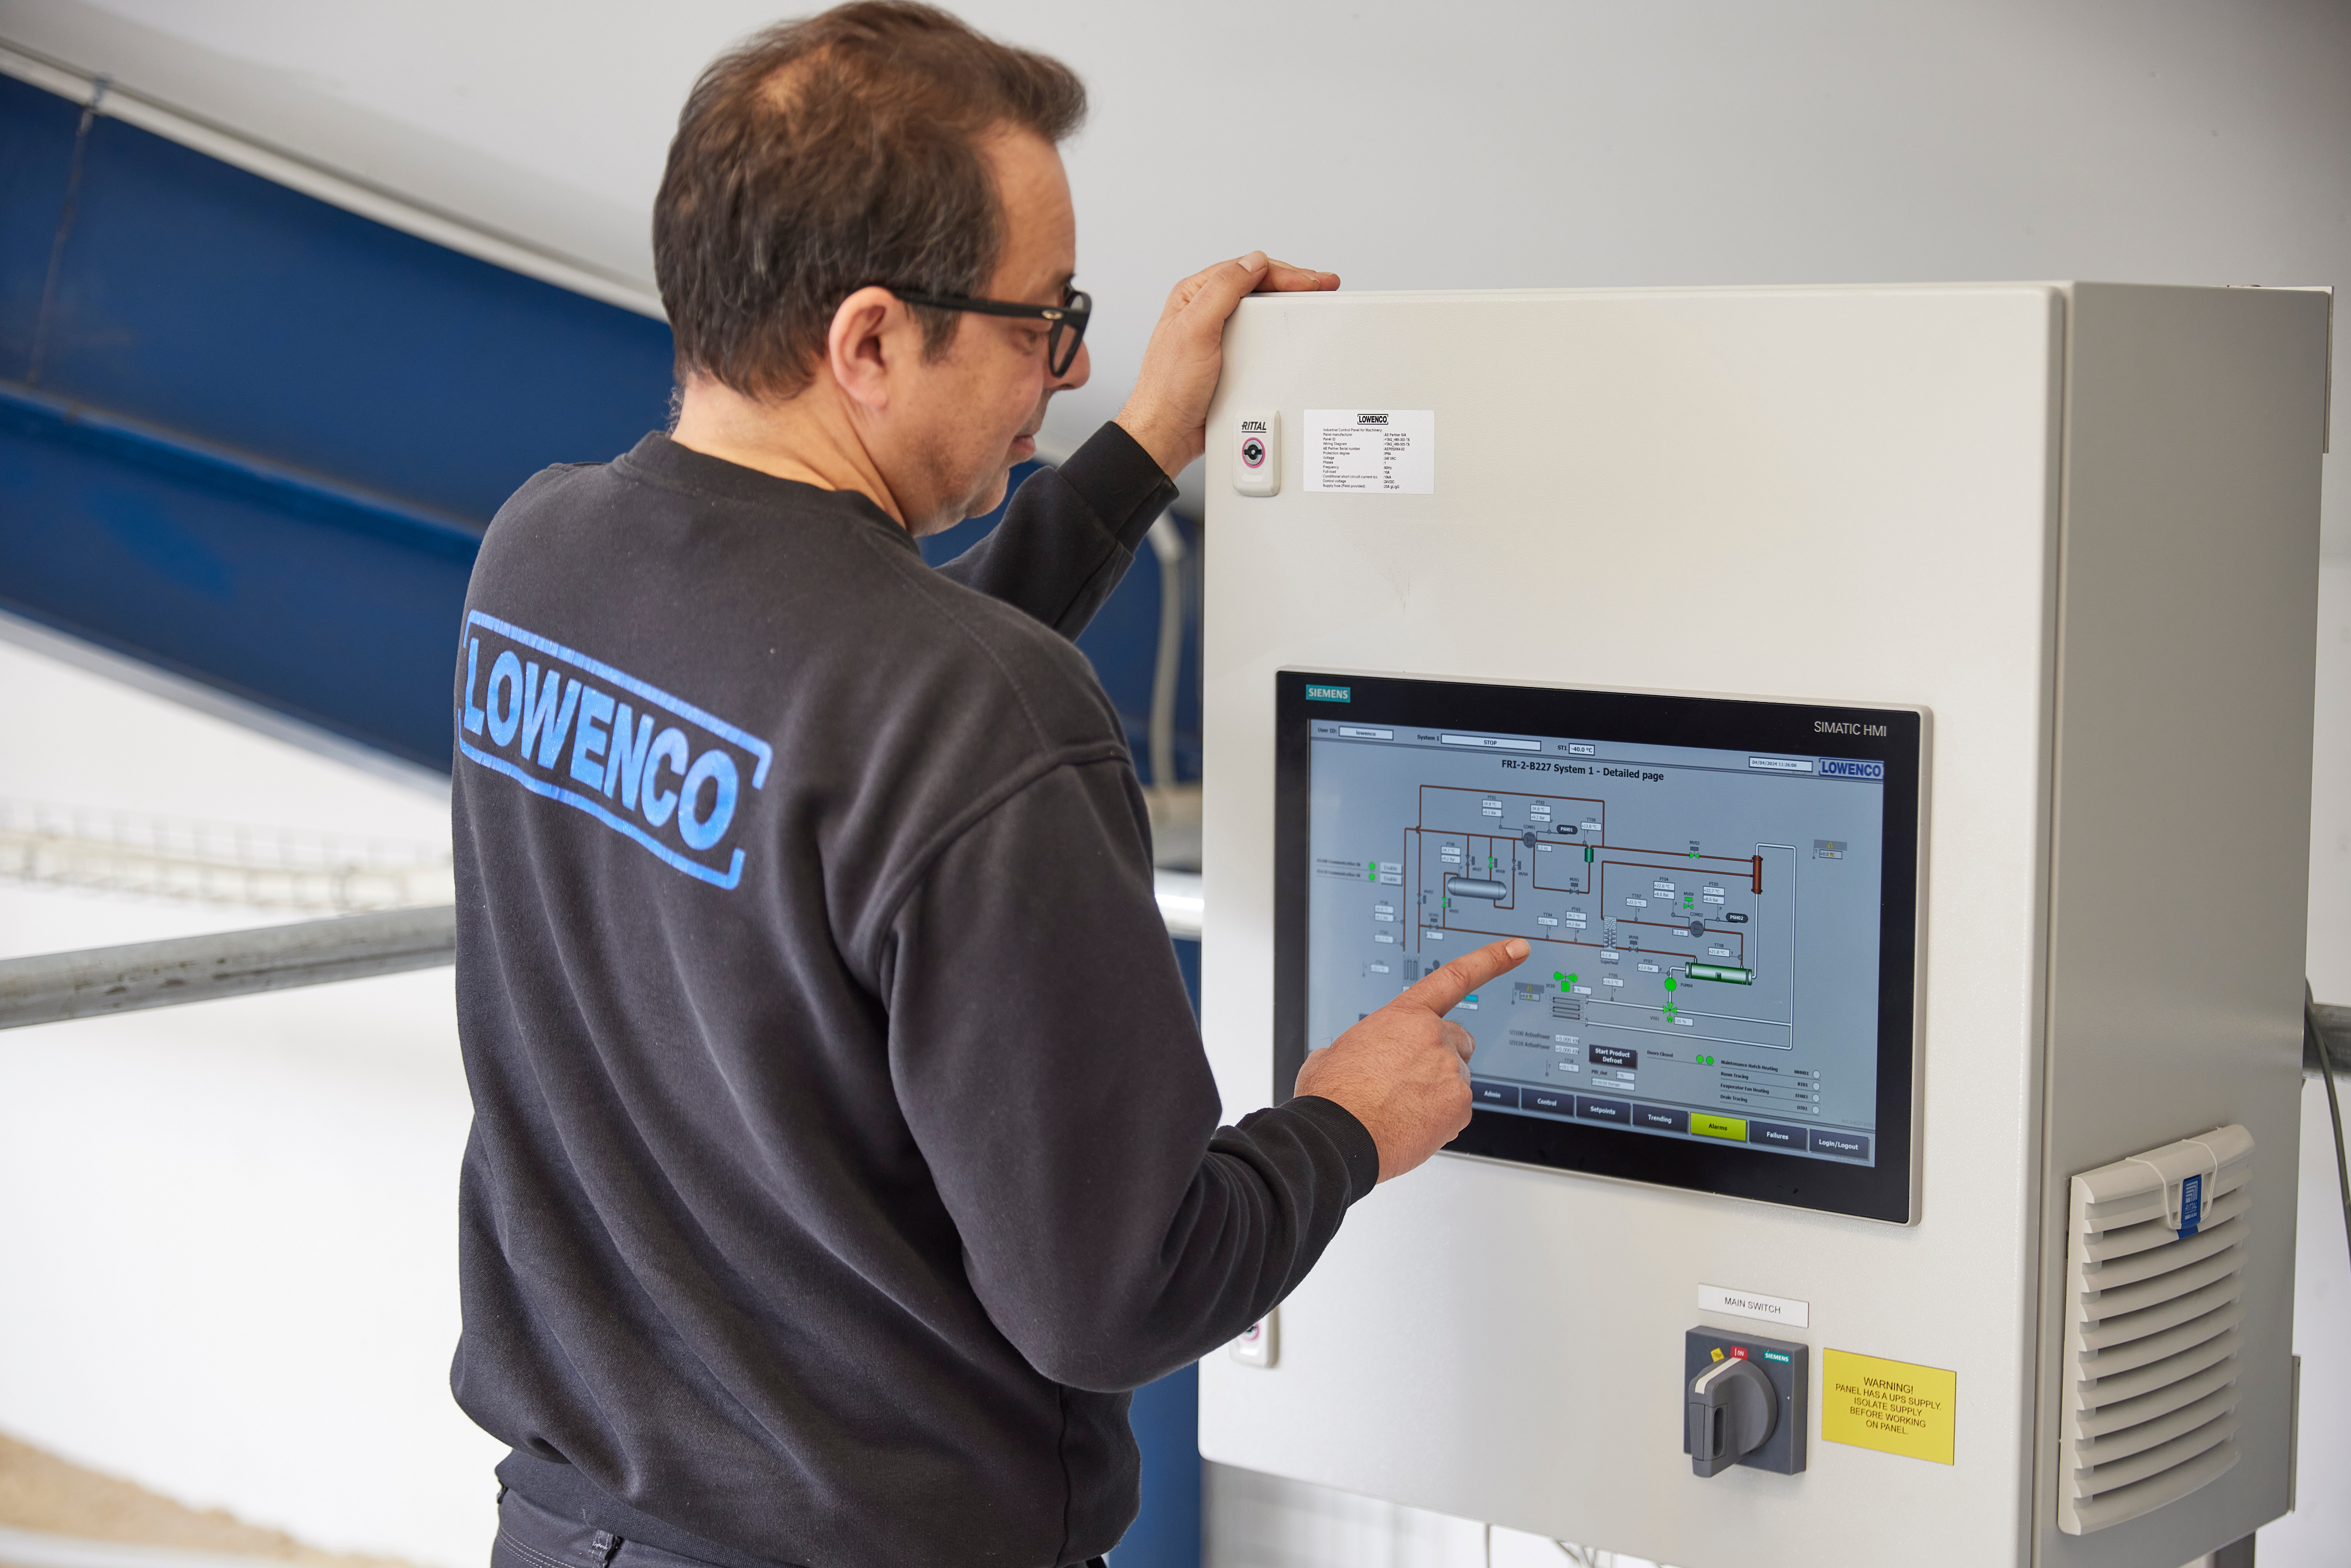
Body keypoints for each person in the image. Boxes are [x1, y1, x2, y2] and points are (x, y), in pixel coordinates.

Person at [448, 6, 1527, 1567]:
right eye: (1042, 321)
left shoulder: (539, 559)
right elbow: (1119, 1294)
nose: (1068, 367)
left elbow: (841, 700)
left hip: (570, 1530)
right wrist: (1344, 1122)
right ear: (872, 338)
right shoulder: (977, 716)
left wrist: (1148, 443)